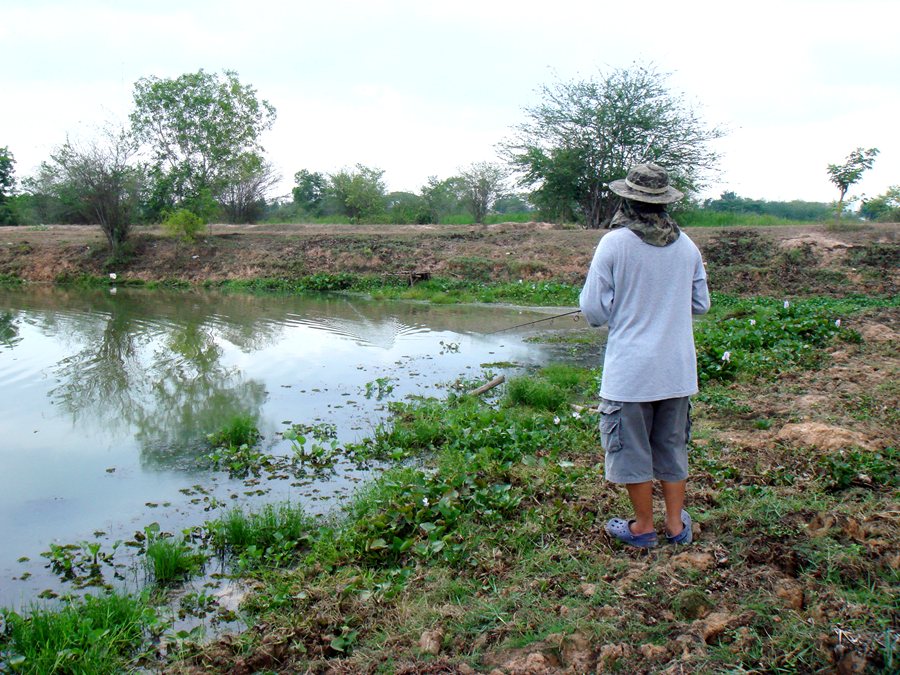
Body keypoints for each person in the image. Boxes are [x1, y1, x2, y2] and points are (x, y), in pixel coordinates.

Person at [579, 163, 710, 548]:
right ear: (665, 203)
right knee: (671, 446)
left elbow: (593, 312)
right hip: (677, 370)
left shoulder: (614, 244)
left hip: (631, 373)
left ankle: (642, 527)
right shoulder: (687, 247)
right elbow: (700, 304)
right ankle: (675, 526)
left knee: (632, 449)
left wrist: (626, 303)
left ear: (628, 200)